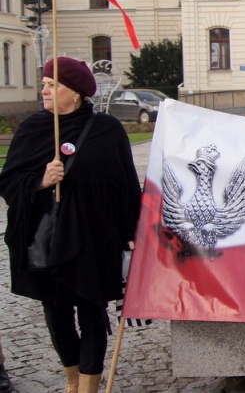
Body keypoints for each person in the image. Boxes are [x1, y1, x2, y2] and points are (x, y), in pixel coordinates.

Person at [1, 58, 141, 393]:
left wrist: (132, 232)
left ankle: (89, 389)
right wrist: (41, 181)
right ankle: (72, 382)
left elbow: (125, 185)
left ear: (75, 93)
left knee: (92, 313)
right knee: (57, 314)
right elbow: (8, 183)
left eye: (52, 84)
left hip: (94, 239)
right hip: (47, 240)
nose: (44, 90)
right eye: (45, 82)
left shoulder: (107, 129)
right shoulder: (33, 128)